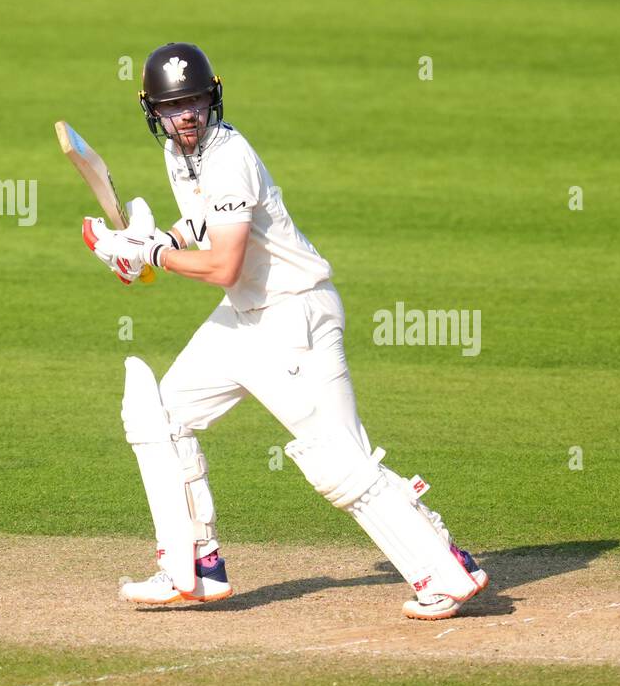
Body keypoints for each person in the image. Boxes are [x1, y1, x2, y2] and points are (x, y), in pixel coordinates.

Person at [81, 42, 489, 620]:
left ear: (212, 98)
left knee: (337, 462)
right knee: (160, 416)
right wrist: (160, 242)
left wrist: (156, 257)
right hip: (245, 318)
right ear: (154, 114)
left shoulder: (228, 154)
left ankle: (445, 573)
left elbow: (222, 265)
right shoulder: (182, 155)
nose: (187, 117)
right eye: (174, 108)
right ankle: (191, 567)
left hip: (293, 315)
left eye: (195, 102)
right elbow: (206, 222)